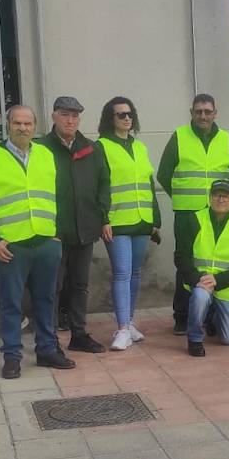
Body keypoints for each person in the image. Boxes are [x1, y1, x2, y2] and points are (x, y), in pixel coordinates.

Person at [0, 104, 76, 379]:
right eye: (17, 123)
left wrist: (58, 235)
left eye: (28, 124)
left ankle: (46, 350)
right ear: (8, 125)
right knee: (11, 303)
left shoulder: (47, 155)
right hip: (11, 247)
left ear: (35, 126)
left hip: (46, 242)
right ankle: (12, 356)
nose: (23, 128)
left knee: (45, 299)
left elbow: (61, 197)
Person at [157, 94, 229, 335]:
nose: (203, 116)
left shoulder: (225, 139)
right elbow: (163, 174)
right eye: (199, 111)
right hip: (187, 213)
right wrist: (181, 196)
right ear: (192, 112)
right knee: (186, 263)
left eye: (207, 111)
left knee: (213, 261)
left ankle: (211, 315)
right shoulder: (179, 136)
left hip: (217, 214)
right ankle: (181, 315)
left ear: (215, 113)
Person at [41, 95, 110, 353]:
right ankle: (49, 341)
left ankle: (79, 335)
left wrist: (102, 215)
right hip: (54, 232)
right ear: (54, 117)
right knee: (53, 287)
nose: (70, 120)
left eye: (75, 116)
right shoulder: (42, 148)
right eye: (64, 115)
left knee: (80, 285)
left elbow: (104, 183)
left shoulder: (92, 148)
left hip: (86, 228)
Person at [98, 96, 161, 351]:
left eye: (129, 114)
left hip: (141, 220)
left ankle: (130, 321)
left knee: (135, 274)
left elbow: (148, 184)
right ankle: (122, 328)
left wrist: (155, 220)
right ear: (110, 118)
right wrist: (103, 219)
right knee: (122, 274)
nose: (126, 118)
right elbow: (99, 186)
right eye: (120, 114)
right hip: (117, 221)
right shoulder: (101, 146)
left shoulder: (140, 147)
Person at [176, 179, 229, 356]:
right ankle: (194, 339)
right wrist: (198, 279)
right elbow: (181, 256)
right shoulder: (195, 219)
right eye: (217, 195)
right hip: (201, 283)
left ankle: (211, 316)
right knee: (200, 297)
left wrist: (218, 280)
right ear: (210, 198)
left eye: (226, 196)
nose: (221, 200)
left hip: (228, 287)